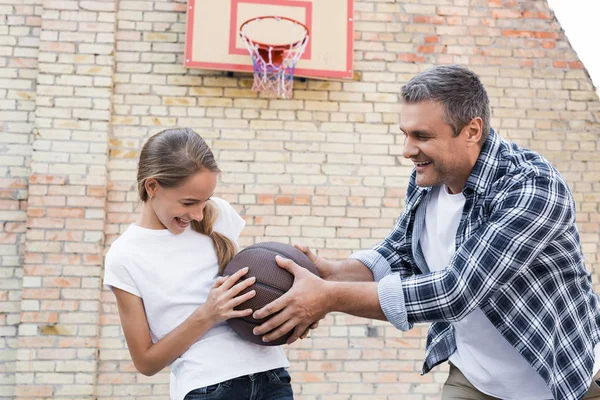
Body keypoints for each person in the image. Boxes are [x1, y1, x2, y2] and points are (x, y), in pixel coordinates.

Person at [251, 65, 600, 400]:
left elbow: (455, 292)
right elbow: (398, 253)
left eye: (422, 136)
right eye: (406, 134)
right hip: (476, 377)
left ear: (472, 131)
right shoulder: (429, 177)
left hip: (559, 377)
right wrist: (331, 271)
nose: (407, 150)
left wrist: (329, 297)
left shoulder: (532, 187)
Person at [103, 128, 293, 400]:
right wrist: (208, 314)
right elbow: (145, 362)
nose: (197, 214)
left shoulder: (220, 215)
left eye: (204, 201)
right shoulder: (125, 256)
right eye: (188, 202)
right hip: (208, 385)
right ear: (152, 186)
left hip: (272, 373)